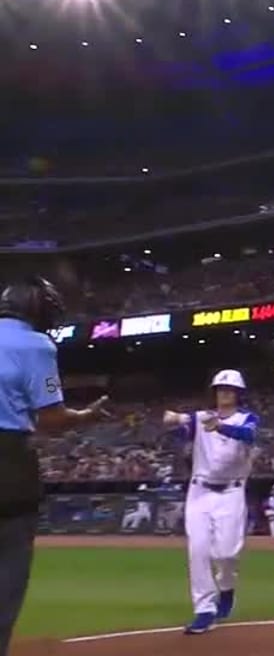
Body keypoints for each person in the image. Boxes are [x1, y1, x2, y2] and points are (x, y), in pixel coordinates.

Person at [0, 277, 109, 656]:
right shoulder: (36, 344)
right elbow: (51, 418)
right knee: (9, 571)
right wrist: (84, 417)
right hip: (9, 463)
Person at [162, 369, 260, 635]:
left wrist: (221, 427)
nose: (224, 393)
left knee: (226, 553)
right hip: (200, 491)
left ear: (238, 394)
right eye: (220, 389)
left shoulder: (246, 418)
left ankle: (226, 588)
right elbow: (181, 429)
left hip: (231, 492)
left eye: (229, 390)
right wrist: (173, 423)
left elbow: (249, 435)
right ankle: (204, 609)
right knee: (198, 550)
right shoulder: (201, 418)